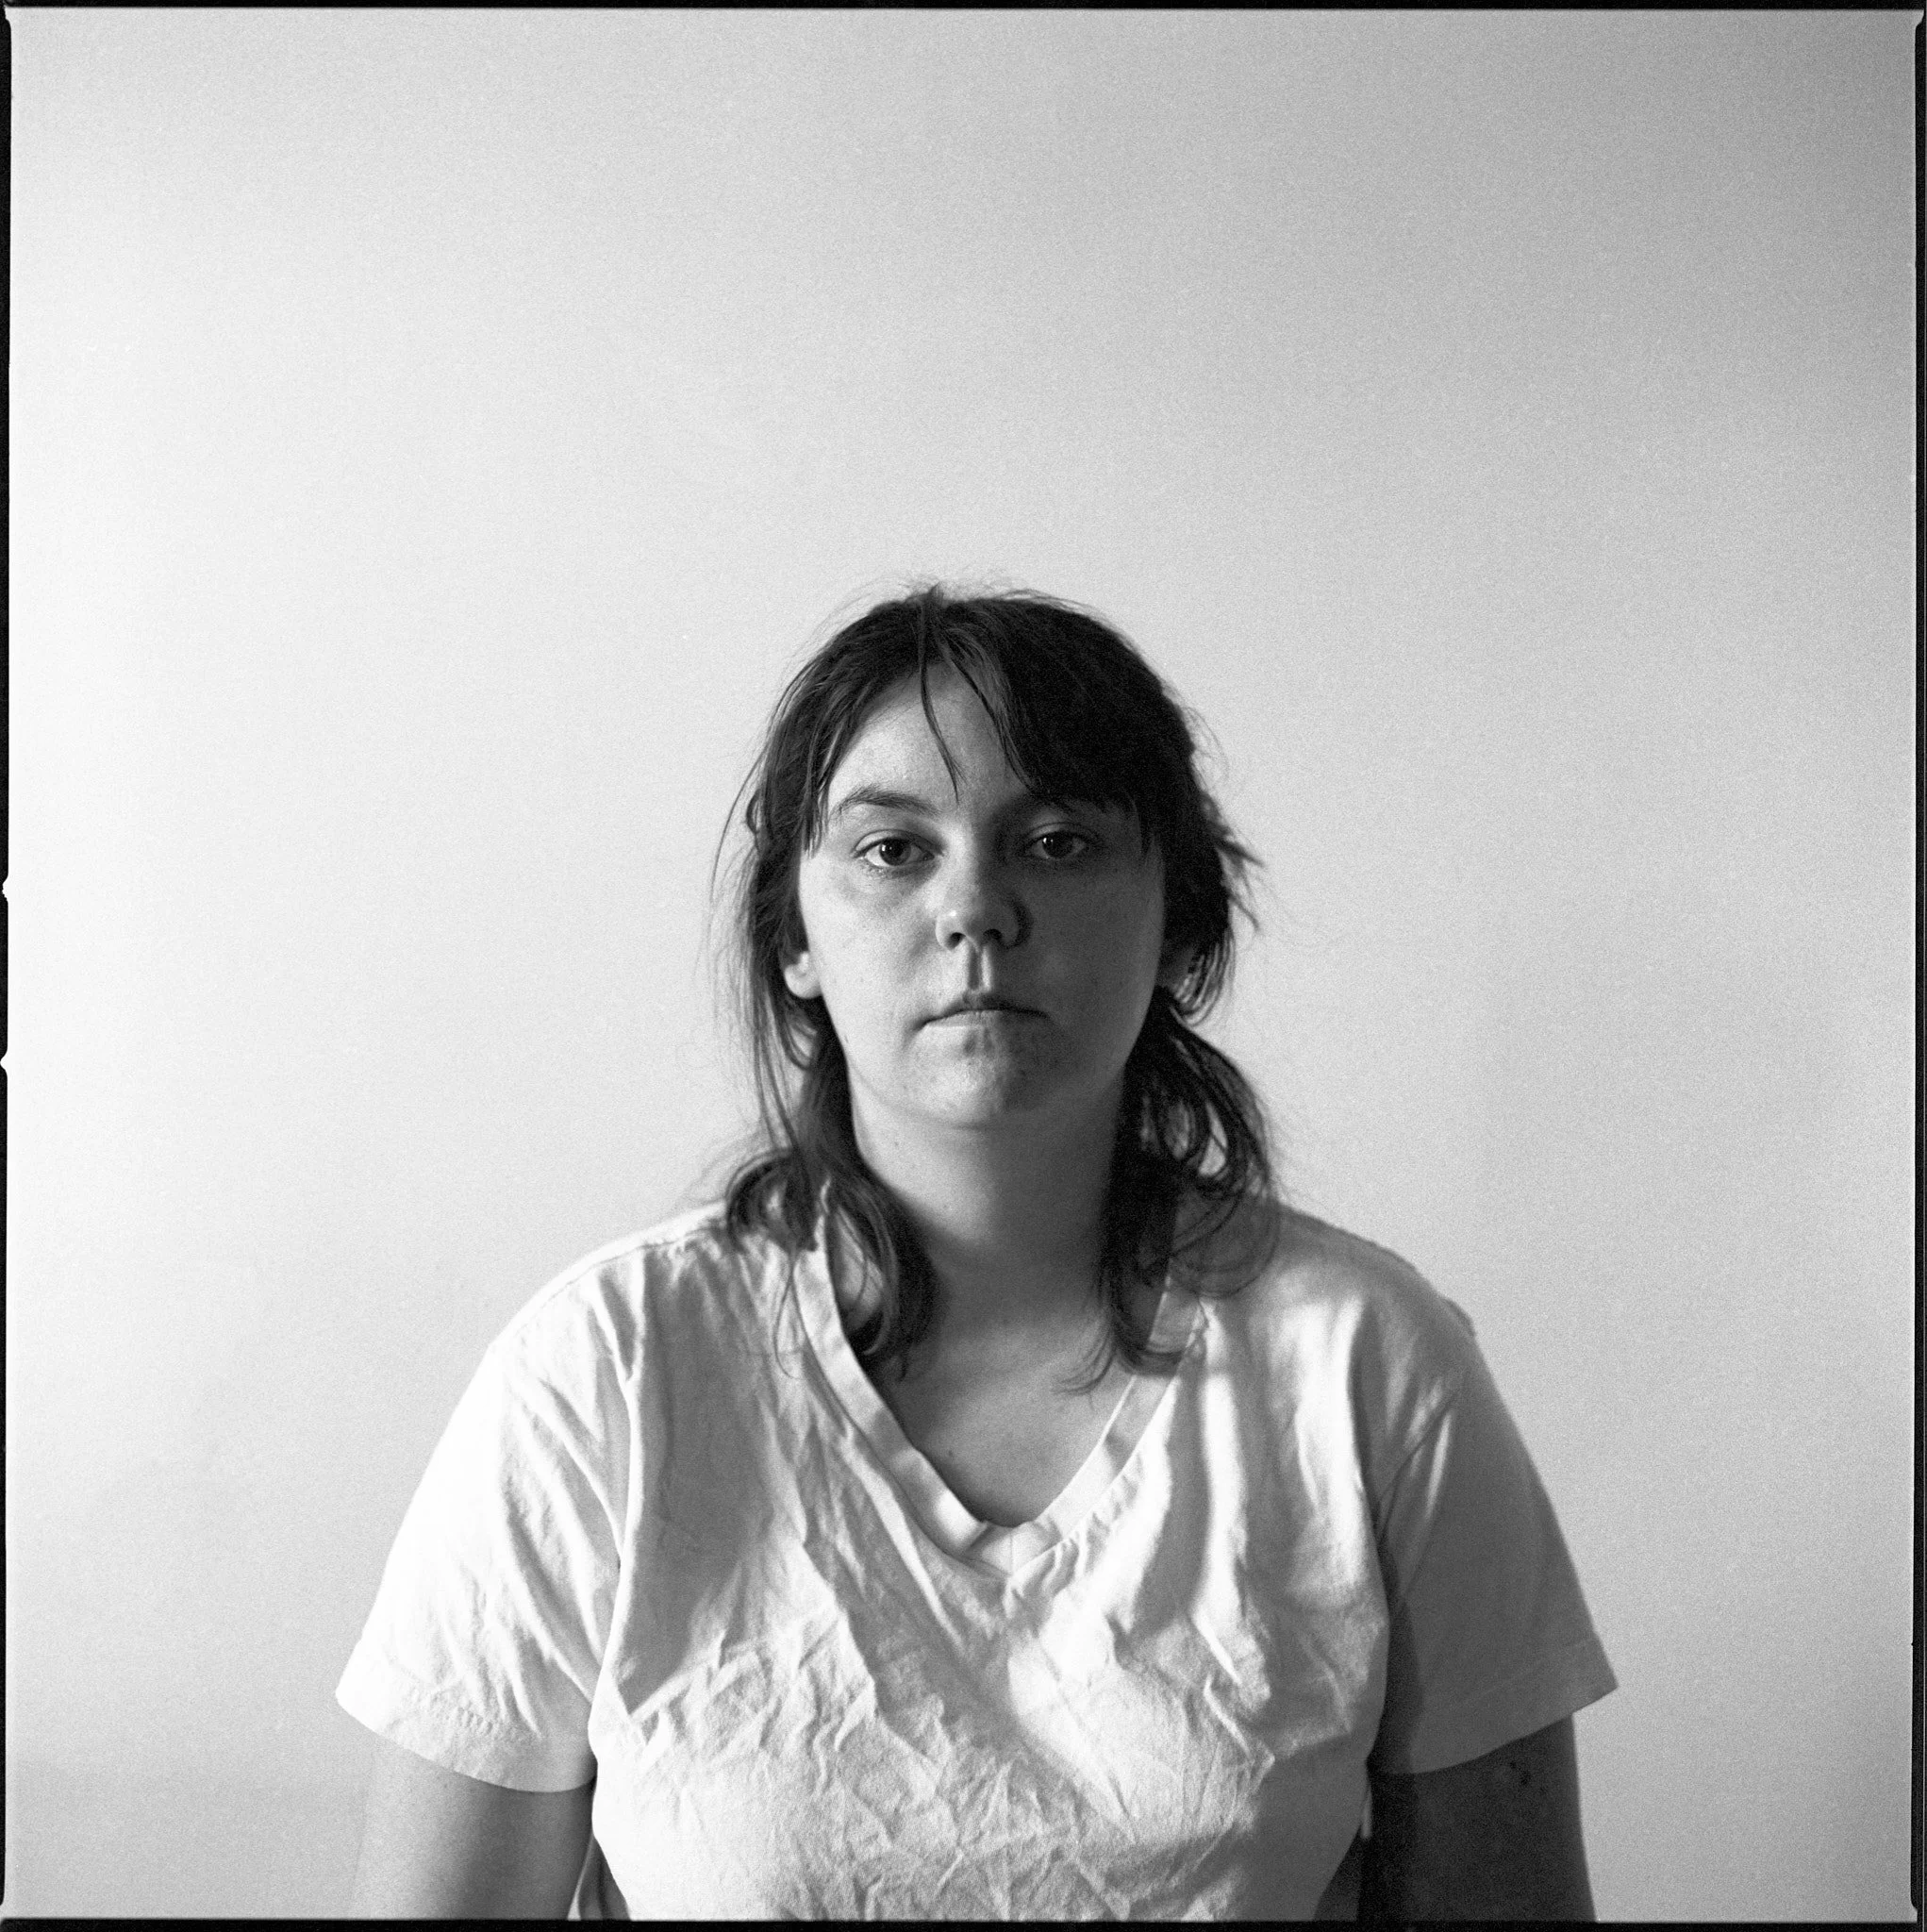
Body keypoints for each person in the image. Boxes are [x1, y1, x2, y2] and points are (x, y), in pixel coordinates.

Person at [339, 586, 1616, 1919]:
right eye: (893, 850)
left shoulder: (1366, 1362)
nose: (976, 911)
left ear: (1179, 922)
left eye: (1056, 841)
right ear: (792, 938)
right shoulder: (603, 1371)